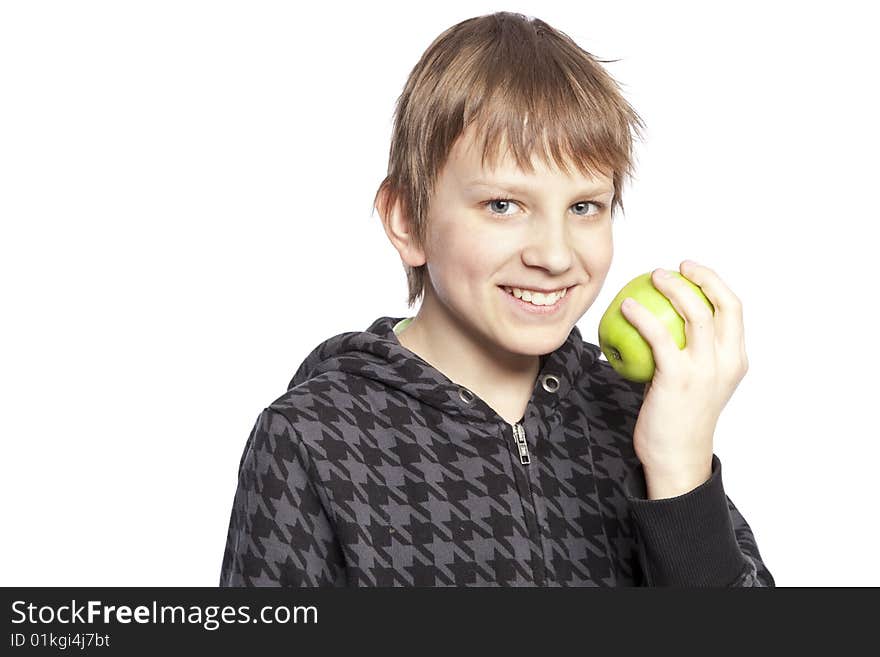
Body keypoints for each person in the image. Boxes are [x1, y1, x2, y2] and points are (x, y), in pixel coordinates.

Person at [219, 11, 774, 587]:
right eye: (503, 205)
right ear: (407, 220)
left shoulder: (645, 419)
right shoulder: (312, 439)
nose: (555, 255)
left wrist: (679, 470)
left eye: (585, 207)